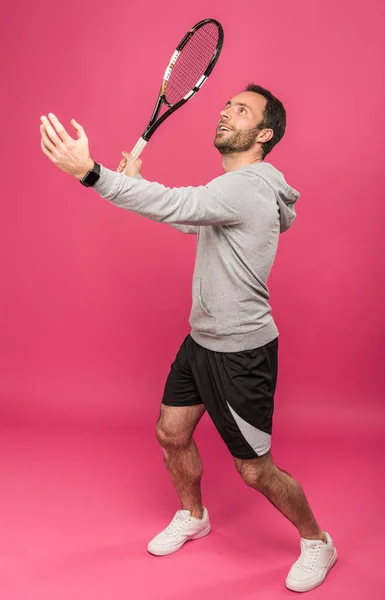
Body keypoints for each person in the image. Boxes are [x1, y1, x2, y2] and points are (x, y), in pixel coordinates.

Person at [39, 84, 337, 593]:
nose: (225, 112)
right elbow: (192, 218)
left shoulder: (248, 186)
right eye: (226, 105)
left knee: (255, 471)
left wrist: (93, 174)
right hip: (202, 340)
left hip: (241, 352)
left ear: (263, 134)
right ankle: (193, 515)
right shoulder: (237, 189)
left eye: (241, 110)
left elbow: (178, 204)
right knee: (171, 432)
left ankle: (317, 541)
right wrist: (136, 183)